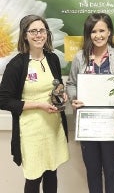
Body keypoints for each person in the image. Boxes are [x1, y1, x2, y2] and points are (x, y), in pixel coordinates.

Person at [0, 15, 69, 193]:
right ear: (25, 35)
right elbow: (3, 100)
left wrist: (62, 94)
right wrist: (38, 105)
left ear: (47, 33)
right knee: (33, 177)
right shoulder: (16, 65)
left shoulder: (52, 59)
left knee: (52, 173)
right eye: (33, 31)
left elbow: (57, 85)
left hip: (53, 127)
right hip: (31, 132)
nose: (39, 35)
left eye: (42, 30)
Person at [66, 13, 114, 193]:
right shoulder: (80, 57)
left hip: (113, 123)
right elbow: (71, 84)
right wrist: (74, 98)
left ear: (109, 32)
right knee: (92, 170)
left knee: (111, 169)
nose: (98, 35)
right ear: (88, 34)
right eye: (93, 31)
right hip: (88, 123)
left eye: (102, 30)